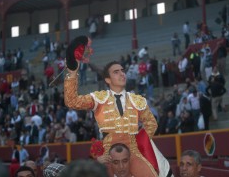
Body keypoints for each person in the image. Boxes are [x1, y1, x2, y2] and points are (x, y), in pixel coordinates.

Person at [64, 39, 167, 177]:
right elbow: (72, 101)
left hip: (132, 152)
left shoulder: (137, 100)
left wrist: (139, 143)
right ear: (107, 79)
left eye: (122, 71)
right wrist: (72, 72)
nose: (122, 74)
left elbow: (151, 124)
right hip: (107, 154)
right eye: (116, 72)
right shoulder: (99, 98)